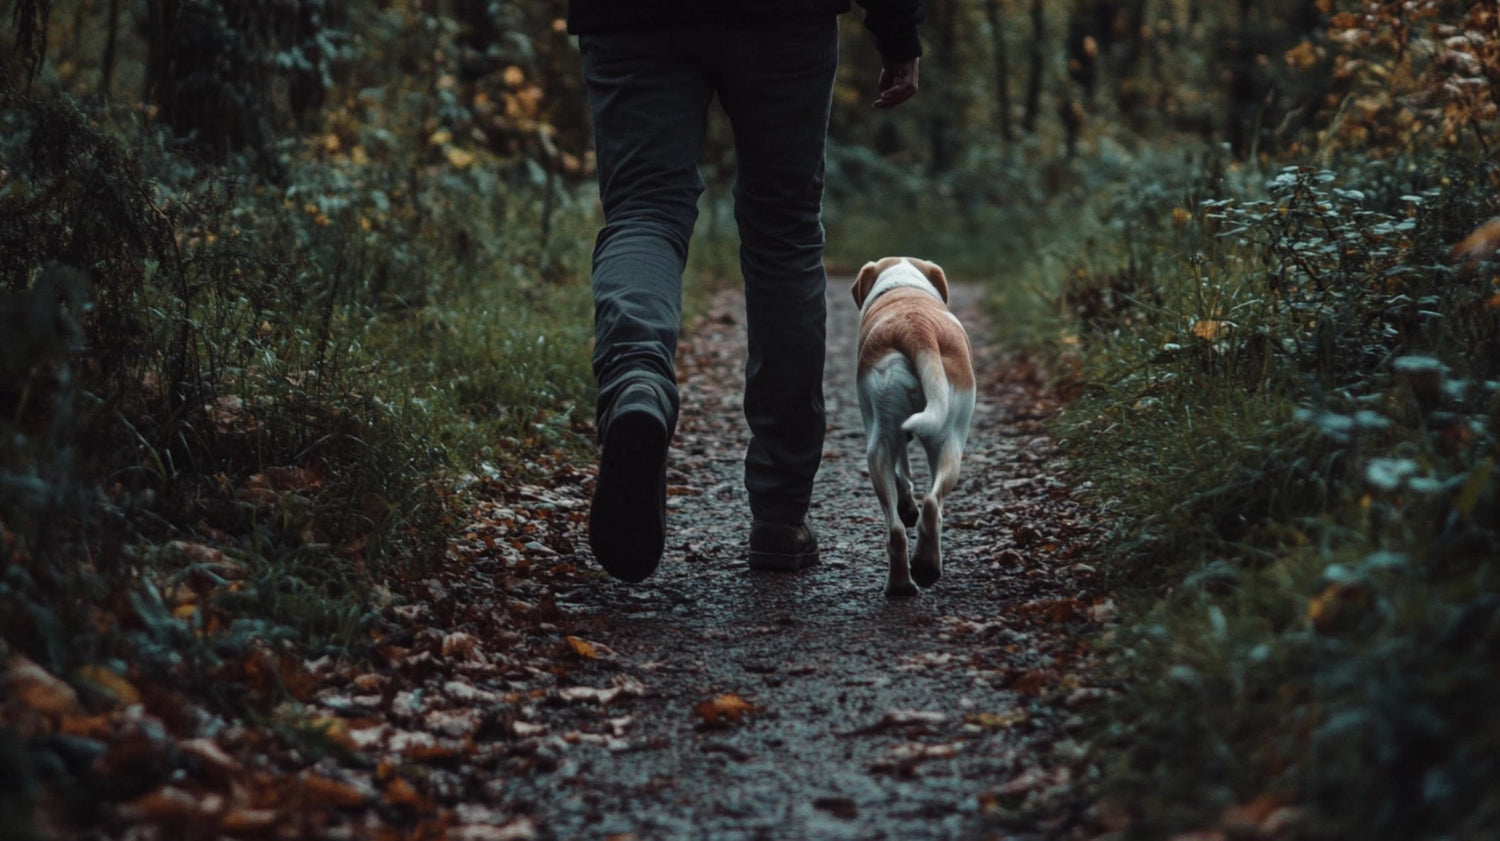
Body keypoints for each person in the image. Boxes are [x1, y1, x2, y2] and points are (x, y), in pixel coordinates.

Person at [569, 1, 924, 583]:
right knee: (783, 235)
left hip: (629, 23)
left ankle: (637, 382)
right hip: (785, 20)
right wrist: (897, 30)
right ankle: (780, 515)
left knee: (643, 213)